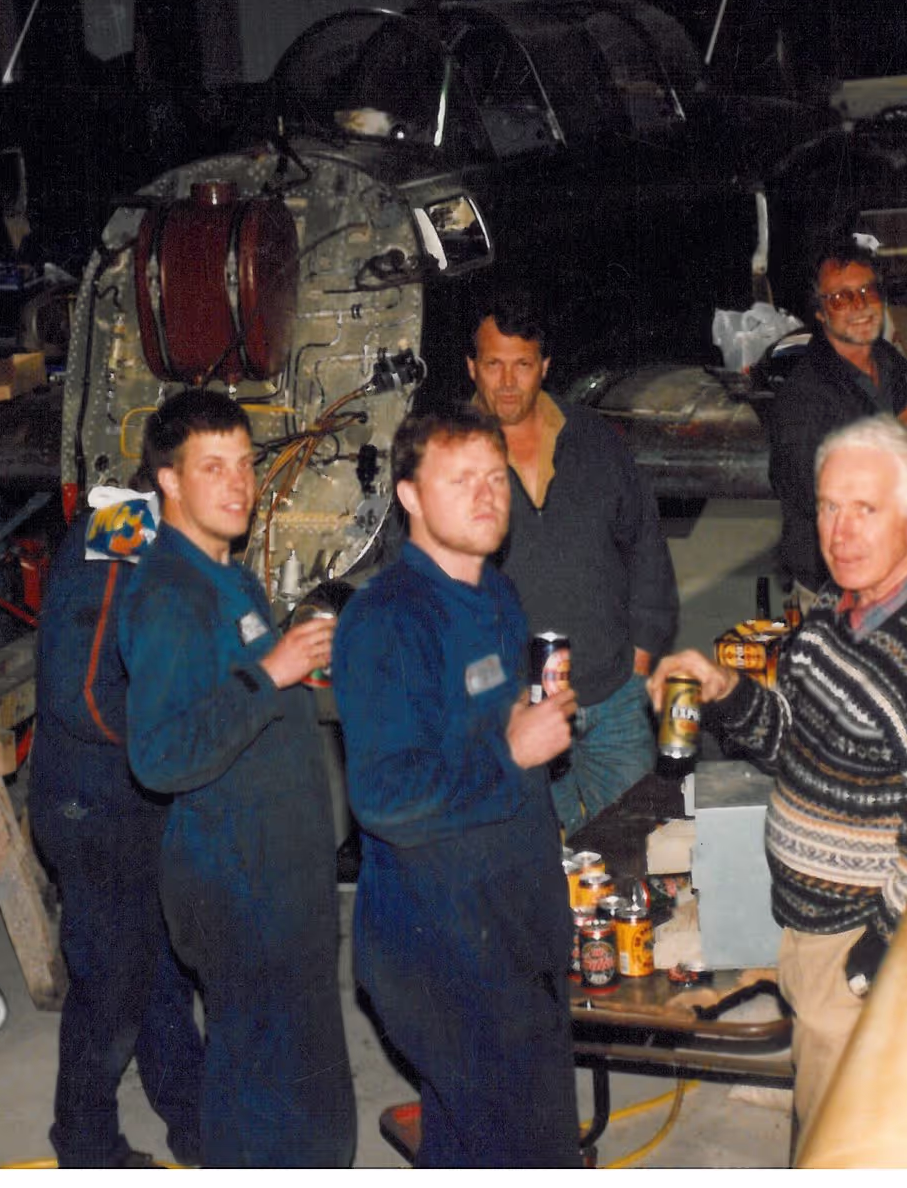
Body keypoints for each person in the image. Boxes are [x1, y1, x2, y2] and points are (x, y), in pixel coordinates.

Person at [650, 415, 907, 1160]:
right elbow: (790, 740)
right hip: (807, 931)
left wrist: (873, 961)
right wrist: (722, 691)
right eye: (827, 506)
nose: (838, 531)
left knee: (839, 1148)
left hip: (862, 947)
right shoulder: (832, 617)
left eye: (865, 509)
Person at [332, 407, 583, 1168]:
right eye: (459, 479)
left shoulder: (498, 595)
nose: (486, 495)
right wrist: (511, 750)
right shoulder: (385, 621)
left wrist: (528, 717)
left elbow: (478, 724)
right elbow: (385, 797)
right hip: (442, 949)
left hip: (515, 920)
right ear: (408, 496)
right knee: (521, 1154)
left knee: (476, 1142)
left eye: (494, 477)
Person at [117, 389, 356, 1168]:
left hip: (285, 874)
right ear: (169, 483)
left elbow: (252, 691)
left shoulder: (231, 576)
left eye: (246, 464)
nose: (238, 484)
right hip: (235, 885)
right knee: (254, 1088)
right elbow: (157, 754)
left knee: (306, 1069)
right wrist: (269, 672)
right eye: (212, 467)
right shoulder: (165, 595)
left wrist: (299, 665)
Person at [28, 483, 202, 1168]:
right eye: (214, 467)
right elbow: (81, 691)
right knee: (111, 979)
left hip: (136, 793)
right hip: (91, 799)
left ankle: (194, 1115)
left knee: (159, 964)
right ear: (168, 477)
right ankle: (85, 1143)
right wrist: (179, 738)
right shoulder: (122, 523)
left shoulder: (170, 533)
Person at [466, 294, 679, 833]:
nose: (508, 382)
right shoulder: (448, 454)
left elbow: (646, 545)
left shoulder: (594, 438)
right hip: (514, 715)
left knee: (640, 851)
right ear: (473, 368)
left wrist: (641, 656)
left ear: (545, 368)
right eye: (494, 364)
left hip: (613, 697)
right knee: (537, 872)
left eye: (522, 364)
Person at [768, 237, 907, 597]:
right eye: (841, 298)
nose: (860, 306)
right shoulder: (802, 393)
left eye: (868, 291)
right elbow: (813, 491)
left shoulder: (885, 359)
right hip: (838, 587)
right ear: (820, 312)